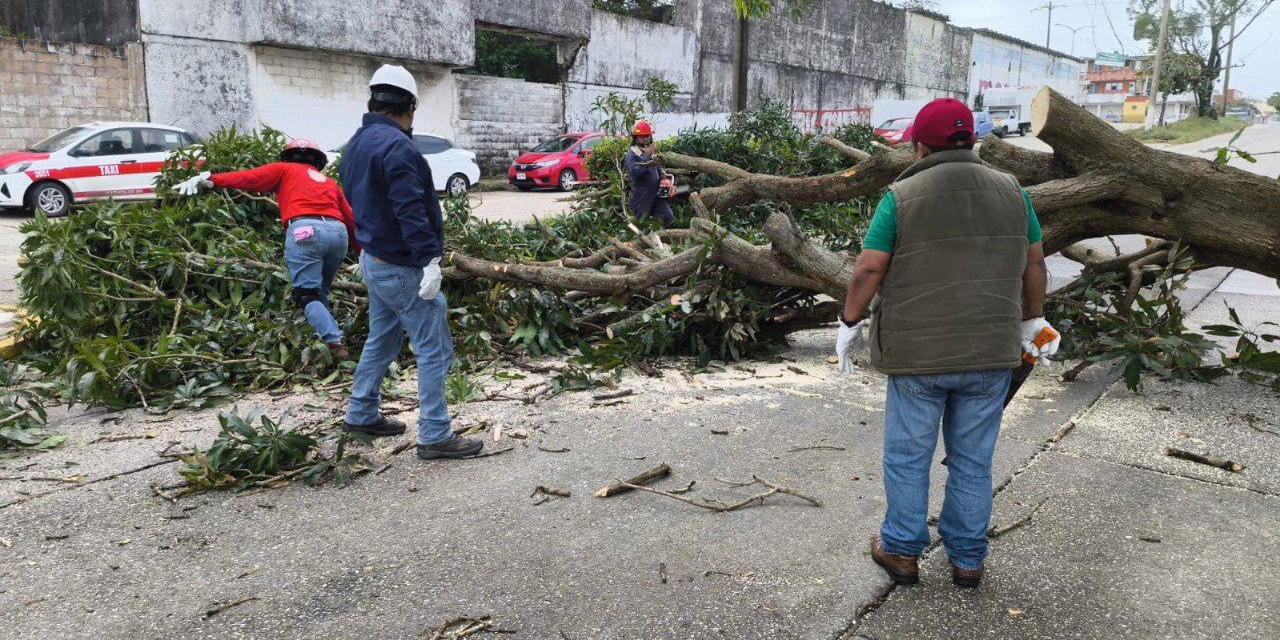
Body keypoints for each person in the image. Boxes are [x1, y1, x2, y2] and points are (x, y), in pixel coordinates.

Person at [834, 98, 1060, 589]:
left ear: (919, 145)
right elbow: (1036, 264)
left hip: (918, 360)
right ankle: (968, 559)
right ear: (972, 141)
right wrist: (1033, 321)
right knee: (973, 460)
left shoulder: (901, 194)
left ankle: (901, 551)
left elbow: (870, 267)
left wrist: (849, 321)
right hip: (991, 355)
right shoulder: (1014, 192)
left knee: (908, 456)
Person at [337, 64, 482, 459]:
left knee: (381, 340)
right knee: (434, 348)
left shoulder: (357, 143)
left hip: (375, 259)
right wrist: (428, 261)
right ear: (410, 106)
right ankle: (435, 434)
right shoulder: (397, 146)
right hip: (403, 266)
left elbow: (354, 198)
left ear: (374, 101)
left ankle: (361, 412)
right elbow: (410, 210)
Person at [174, 139, 357, 358]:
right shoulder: (329, 183)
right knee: (321, 292)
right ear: (318, 161)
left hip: (305, 232)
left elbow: (250, 178)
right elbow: (351, 219)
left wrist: (213, 179)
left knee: (307, 295)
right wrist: (365, 255)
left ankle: (335, 345)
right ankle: (325, 340)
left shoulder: (284, 169)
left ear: (288, 157)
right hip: (338, 234)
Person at [622, 119, 676, 228]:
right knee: (643, 225)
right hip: (642, 197)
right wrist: (646, 156)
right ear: (635, 137)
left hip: (656, 194)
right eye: (642, 136)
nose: (645, 139)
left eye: (647, 136)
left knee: (668, 218)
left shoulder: (650, 152)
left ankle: (666, 241)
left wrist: (663, 176)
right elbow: (637, 172)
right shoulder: (631, 155)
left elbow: (656, 167)